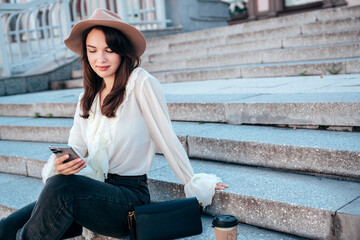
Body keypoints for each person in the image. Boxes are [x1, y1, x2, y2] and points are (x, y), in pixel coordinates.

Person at [0, 8, 228, 240]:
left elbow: (166, 136)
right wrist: (62, 165)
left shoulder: (140, 83)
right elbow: (76, 147)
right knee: (8, 225)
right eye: (93, 51)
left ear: (122, 52)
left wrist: (193, 180)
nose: (101, 59)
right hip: (92, 189)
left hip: (127, 199)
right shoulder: (86, 98)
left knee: (61, 189)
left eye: (109, 50)